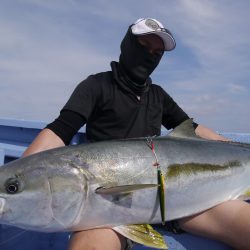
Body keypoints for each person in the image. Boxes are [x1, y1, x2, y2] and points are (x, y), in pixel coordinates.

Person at [23, 18, 250, 250]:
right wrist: (22, 172)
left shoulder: (158, 95)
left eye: (157, 52)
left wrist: (234, 148)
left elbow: (190, 129)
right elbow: (60, 129)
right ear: (127, 44)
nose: (150, 55)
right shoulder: (96, 85)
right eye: (143, 46)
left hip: (176, 202)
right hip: (110, 208)